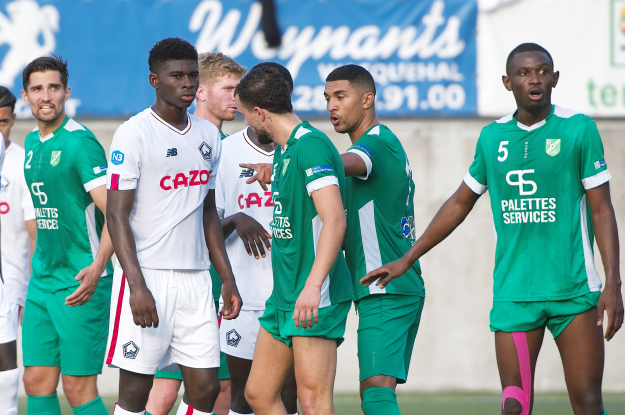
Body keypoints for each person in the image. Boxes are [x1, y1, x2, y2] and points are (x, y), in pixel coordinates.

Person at [362, 43, 623, 415]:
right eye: (523, 73)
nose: (534, 78)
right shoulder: (492, 138)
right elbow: (459, 202)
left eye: (542, 70)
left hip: (574, 292)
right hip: (514, 295)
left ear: (555, 78)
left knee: (587, 402)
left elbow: (602, 209)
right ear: (507, 82)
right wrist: (407, 257)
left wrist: (613, 282)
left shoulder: (578, 130)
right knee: (514, 406)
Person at [106, 37, 242, 415]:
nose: (186, 83)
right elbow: (115, 215)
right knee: (136, 392)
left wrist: (226, 277)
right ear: (154, 80)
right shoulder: (133, 133)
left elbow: (208, 212)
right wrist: (136, 286)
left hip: (196, 280)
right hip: (147, 275)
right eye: (176, 76)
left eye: (192, 76)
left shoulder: (208, 135)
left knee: (206, 387)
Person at [236, 66, 353, 415]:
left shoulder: (310, 147)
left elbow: (334, 220)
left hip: (314, 293)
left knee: (314, 402)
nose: (246, 124)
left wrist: (314, 285)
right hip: (284, 294)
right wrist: (274, 176)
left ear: (260, 113)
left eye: (245, 115)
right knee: (258, 394)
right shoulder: (287, 151)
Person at [145, 51, 247, 415]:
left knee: (214, 388)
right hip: (167, 279)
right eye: (229, 88)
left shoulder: (225, 145)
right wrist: (235, 220)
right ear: (200, 91)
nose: (237, 97)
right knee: (161, 389)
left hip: (208, 284)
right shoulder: (154, 136)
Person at [323, 64, 425, 415]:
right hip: (388, 286)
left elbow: (345, 162)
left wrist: (292, 165)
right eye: (327, 98)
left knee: (376, 394)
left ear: (367, 99)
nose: (332, 106)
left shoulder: (376, 145)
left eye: (340, 96)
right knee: (376, 391)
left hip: (385, 286)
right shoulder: (381, 142)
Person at [20, 55, 114, 415]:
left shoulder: (80, 144)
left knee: (78, 389)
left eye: (54, 88)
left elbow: (116, 216)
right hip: (42, 282)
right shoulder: (30, 142)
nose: (46, 96)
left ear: (66, 92)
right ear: (26, 96)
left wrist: (98, 266)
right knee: (36, 382)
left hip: (80, 280)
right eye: (38, 89)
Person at [215, 62, 298, 415]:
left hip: (292, 295)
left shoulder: (303, 150)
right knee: (243, 396)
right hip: (243, 296)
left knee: (291, 396)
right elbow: (206, 231)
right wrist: (236, 219)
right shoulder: (225, 152)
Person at [0, 87, 36, 415]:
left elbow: (34, 231)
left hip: (10, 286)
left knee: (6, 378)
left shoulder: (23, 162)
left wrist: (31, 288)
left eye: (3, 122)